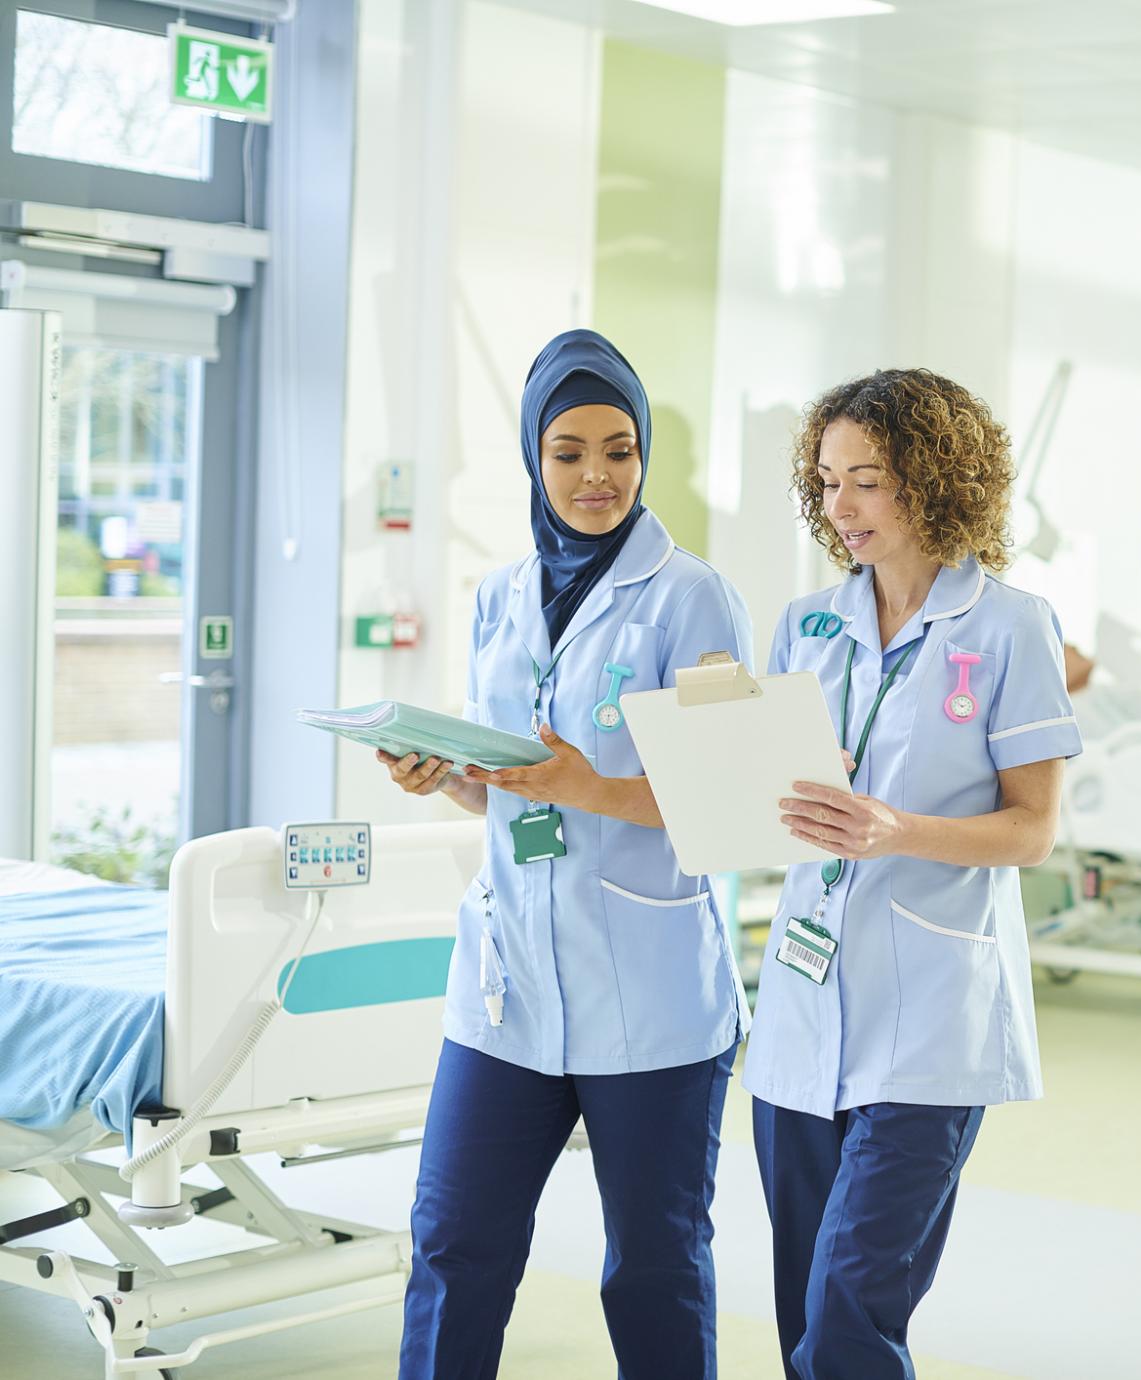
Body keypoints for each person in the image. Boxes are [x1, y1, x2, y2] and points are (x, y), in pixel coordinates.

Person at [382, 329, 753, 1380]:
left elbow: (732, 807)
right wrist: (441, 772)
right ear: (532, 461)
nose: (597, 475)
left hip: (649, 998)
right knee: (455, 1246)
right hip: (503, 995)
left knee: (651, 1267)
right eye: (569, 452)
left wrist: (589, 787)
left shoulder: (696, 599)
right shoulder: (498, 595)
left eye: (620, 449)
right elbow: (503, 775)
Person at [744, 368, 1080, 1380]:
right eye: (828, 481)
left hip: (931, 1015)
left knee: (851, 1309)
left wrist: (895, 830)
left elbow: (1032, 833)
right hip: (803, 1011)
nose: (840, 507)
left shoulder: (1009, 626)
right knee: (803, 1316)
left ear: (934, 480)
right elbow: (773, 802)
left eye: (869, 481)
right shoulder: (805, 625)